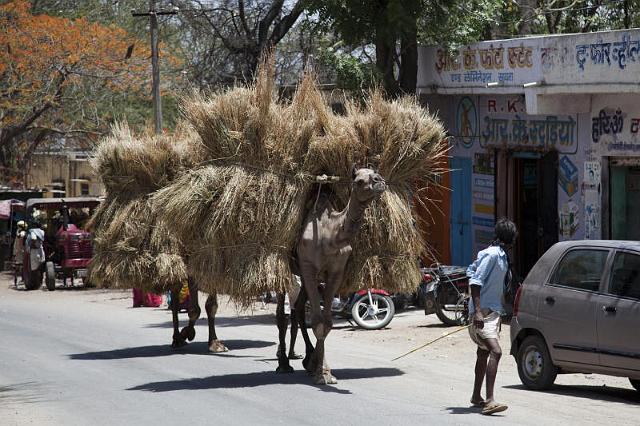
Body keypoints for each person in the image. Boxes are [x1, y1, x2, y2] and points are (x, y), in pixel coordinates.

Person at [466, 218, 517, 415]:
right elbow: (475, 281)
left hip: (492, 313)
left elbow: (471, 269)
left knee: (483, 353)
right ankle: (489, 400)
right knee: (496, 351)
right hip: (483, 313)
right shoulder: (492, 254)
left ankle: (476, 396)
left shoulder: (501, 255)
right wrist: (477, 311)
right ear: (510, 238)